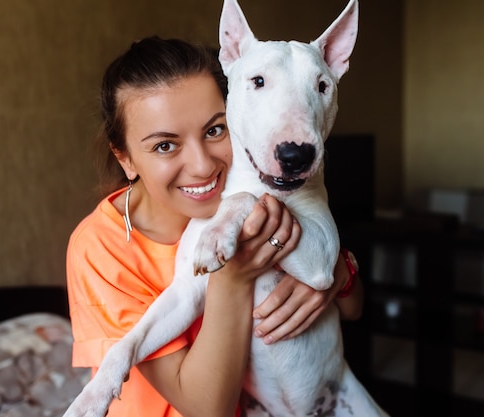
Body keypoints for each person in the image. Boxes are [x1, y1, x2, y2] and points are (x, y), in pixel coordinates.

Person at [66, 36, 364, 417]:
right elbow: (209, 409)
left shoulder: (260, 185)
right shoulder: (101, 249)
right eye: (164, 145)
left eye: (214, 130)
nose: (203, 166)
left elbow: (354, 307)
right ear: (124, 158)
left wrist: (340, 271)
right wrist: (235, 277)